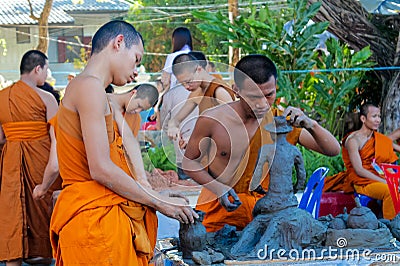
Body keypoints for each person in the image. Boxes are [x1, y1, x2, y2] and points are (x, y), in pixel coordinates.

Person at [49, 20, 197, 265]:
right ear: (118, 43)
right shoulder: (88, 87)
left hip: (102, 216)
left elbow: (125, 148)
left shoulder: (100, 94)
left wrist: (150, 190)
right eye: (136, 59)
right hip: (95, 222)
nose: (136, 71)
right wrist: (158, 203)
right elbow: (100, 168)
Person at [182, 54, 340, 232]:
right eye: (254, 97)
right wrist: (218, 188)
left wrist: (310, 124)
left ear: (275, 88)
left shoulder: (281, 123)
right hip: (220, 212)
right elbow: (189, 162)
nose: (262, 104)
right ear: (236, 90)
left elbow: (332, 150)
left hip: (268, 216)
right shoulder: (212, 120)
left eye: (269, 95)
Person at [0, 50, 61, 265]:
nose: (46, 74)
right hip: (41, 165)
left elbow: (0, 138)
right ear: (38, 69)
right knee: (43, 216)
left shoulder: (2, 97)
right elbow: (57, 140)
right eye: (46, 69)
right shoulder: (47, 98)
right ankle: (44, 257)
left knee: (12, 214)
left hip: (10, 165)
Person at [325, 103, 398, 220]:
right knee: (390, 191)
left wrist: (394, 179)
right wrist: (386, 182)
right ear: (363, 119)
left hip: (379, 176)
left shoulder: (379, 139)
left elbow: (384, 164)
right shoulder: (353, 140)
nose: (378, 120)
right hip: (362, 182)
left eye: (379, 116)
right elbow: (359, 170)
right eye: (374, 116)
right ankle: (390, 226)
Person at [167, 53, 235, 142]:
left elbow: (233, 126)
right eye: (182, 84)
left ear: (199, 69)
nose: (186, 87)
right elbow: (176, 120)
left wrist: (198, 140)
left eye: (188, 81)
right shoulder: (196, 92)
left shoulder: (219, 91)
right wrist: (172, 126)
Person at [160, 27, 193, 91]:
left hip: (176, 95)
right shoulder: (196, 56)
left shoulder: (172, 57)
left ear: (175, 40)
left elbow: (165, 81)